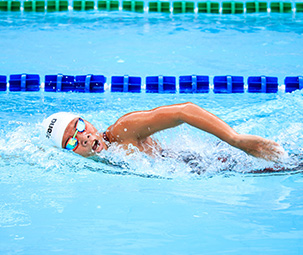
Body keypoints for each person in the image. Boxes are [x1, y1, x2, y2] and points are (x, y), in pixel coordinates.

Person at [42, 102, 284, 162]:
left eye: (80, 127)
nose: (82, 137)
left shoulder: (123, 130)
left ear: (90, 124)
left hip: (206, 163)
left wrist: (236, 140)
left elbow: (184, 111)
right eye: (71, 141)